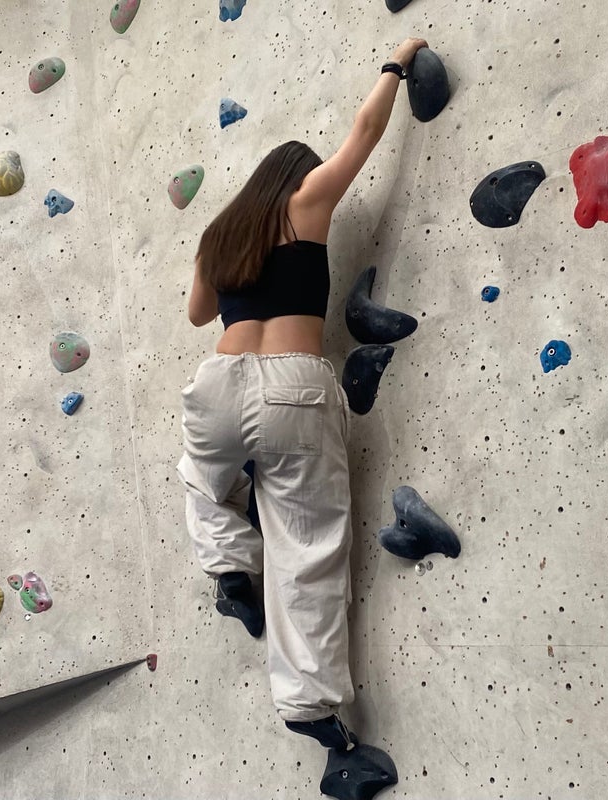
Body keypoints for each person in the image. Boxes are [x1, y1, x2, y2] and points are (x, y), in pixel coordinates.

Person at [177, 36, 429, 794]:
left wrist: (227, 266)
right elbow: (365, 134)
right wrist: (395, 64)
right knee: (307, 549)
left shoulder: (218, 236)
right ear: (295, 176)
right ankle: (319, 724)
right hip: (293, 388)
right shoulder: (306, 199)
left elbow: (197, 314)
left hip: (217, 383)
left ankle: (228, 569)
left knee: (202, 476)